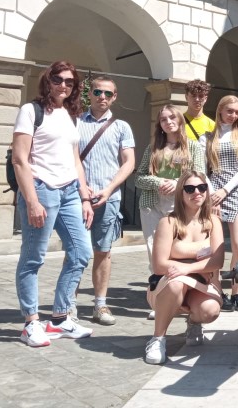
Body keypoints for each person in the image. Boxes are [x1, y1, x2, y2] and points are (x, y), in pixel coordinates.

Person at [12, 61, 94, 347]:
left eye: (70, 82)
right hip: (41, 189)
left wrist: (84, 196)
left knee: (81, 252)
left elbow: (75, 159)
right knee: (33, 257)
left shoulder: (71, 115)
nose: (63, 85)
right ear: (47, 80)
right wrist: (32, 201)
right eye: (58, 79)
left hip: (70, 191)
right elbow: (20, 159)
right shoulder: (31, 111)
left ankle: (59, 318)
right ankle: (30, 323)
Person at [145, 171, 224, 364]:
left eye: (202, 188)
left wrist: (186, 269)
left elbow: (218, 260)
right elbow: (159, 265)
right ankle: (157, 338)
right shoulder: (168, 222)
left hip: (201, 285)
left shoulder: (214, 221)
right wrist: (195, 269)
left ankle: (195, 322)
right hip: (168, 285)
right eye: (190, 189)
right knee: (176, 284)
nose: (197, 192)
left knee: (210, 310)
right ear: (181, 193)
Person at [78, 76, 135, 326]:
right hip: (77, 198)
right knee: (75, 252)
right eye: (98, 92)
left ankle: (100, 305)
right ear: (89, 94)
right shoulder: (76, 123)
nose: (103, 97)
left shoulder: (121, 127)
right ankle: (68, 304)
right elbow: (68, 159)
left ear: (114, 97)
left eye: (108, 93)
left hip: (108, 198)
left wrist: (109, 190)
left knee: (103, 251)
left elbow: (129, 162)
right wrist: (82, 188)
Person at [136, 106, 207, 280]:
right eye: (163, 119)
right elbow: (139, 177)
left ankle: (179, 280)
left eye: (172, 117)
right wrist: (158, 182)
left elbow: (200, 174)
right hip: (152, 203)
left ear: (180, 120)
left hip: (181, 203)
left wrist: (177, 183)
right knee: (154, 245)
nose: (168, 122)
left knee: (179, 245)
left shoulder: (192, 147)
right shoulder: (153, 148)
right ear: (159, 124)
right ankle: (158, 282)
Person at [206, 95, 238, 312]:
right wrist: (213, 192)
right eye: (229, 111)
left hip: (235, 189)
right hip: (213, 190)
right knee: (214, 245)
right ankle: (217, 290)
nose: (233, 115)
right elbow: (203, 169)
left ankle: (237, 292)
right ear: (221, 110)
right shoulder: (210, 135)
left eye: (236, 112)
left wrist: (226, 190)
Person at [182, 79, 215, 146]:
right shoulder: (178, 121)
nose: (197, 99)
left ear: (205, 99)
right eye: (193, 95)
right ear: (186, 97)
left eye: (201, 96)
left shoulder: (212, 125)